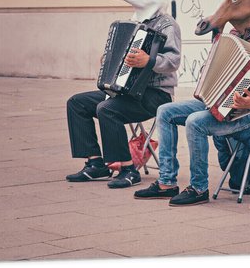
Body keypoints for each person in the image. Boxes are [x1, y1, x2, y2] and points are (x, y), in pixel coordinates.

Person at [134, 0, 250, 205]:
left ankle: (198, 188)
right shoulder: (235, 34)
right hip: (218, 104)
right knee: (165, 112)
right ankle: (167, 181)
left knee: (196, 123)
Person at [66, 10, 181, 189]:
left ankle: (129, 170)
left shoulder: (167, 24)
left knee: (107, 108)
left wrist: (149, 61)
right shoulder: (134, 21)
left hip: (156, 94)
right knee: (77, 103)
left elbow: (173, 61)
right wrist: (109, 60)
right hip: (127, 91)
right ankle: (95, 163)